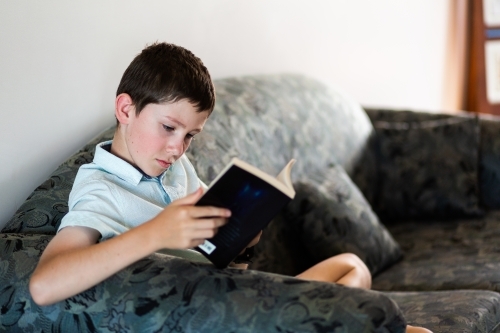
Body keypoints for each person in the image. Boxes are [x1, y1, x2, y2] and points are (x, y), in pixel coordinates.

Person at [29, 42, 431, 333]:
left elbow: (220, 261)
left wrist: (243, 240)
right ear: (125, 109)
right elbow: (44, 285)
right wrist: (156, 233)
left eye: (190, 136)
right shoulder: (101, 188)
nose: (177, 147)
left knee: (353, 267)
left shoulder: (175, 168)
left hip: (232, 295)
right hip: (215, 315)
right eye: (169, 128)